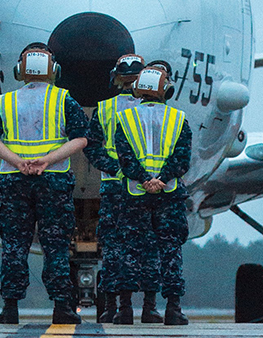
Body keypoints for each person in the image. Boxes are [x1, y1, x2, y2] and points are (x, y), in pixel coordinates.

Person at [0, 42, 89, 325]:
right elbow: (81, 138)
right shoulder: (63, 100)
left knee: (14, 246)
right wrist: (48, 160)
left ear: (20, 70)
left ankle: (10, 308)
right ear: (54, 70)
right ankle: (62, 306)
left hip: (14, 180)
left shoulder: (5, 102)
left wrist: (17, 161)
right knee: (56, 246)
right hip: (53, 181)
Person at [83, 54, 164, 324]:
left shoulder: (104, 108)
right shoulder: (158, 109)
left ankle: (115, 307)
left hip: (114, 186)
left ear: (115, 78)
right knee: (149, 246)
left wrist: (117, 169)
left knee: (113, 248)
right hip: (149, 188)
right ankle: (150, 307)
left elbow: (92, 148)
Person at [112, 60, 192, 326]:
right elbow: (182, 160)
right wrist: (162, 180)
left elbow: (124, 160)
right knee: (170, 251)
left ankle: (125, 309)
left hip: (135, 194)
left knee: (130, 250)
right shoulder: (178, 119)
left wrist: (145, 180)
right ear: (165, 90)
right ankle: (172, 309)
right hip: (169, 195)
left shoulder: (125, 119)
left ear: (137, 89)